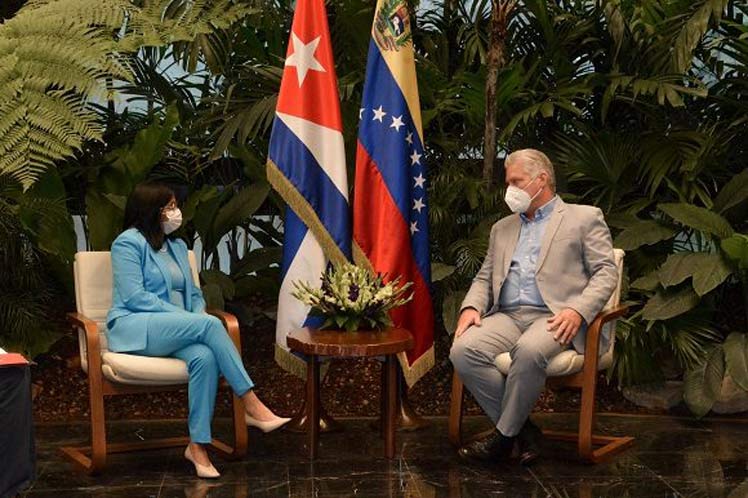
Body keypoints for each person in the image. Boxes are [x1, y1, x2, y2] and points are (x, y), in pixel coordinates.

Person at [106, 183, 290, 479]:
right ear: (150, 211)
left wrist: (193, 315)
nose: (175, 212)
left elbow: (193, 294)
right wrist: (189, 320)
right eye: (168, 207)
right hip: (136, 326)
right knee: (210, 324)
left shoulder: (178, 247)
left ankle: (197, 446)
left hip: (177, 327)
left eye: (175, 205)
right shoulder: (128, 243)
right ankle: (250, 402)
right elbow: (134, 297)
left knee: (204, 358)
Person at [449, 149, 618, 465]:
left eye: (516, 181)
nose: (509, 190)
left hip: (556, 316)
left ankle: (500, 441)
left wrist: (578, 310)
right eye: (508, 182)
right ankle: (523, 432)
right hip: (508, 315)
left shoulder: (584, 217)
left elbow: (606, 272)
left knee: (527, 351)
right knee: (462, 351)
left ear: (542, 179)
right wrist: (471, 307)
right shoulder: (503, 228)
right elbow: (485, 276)